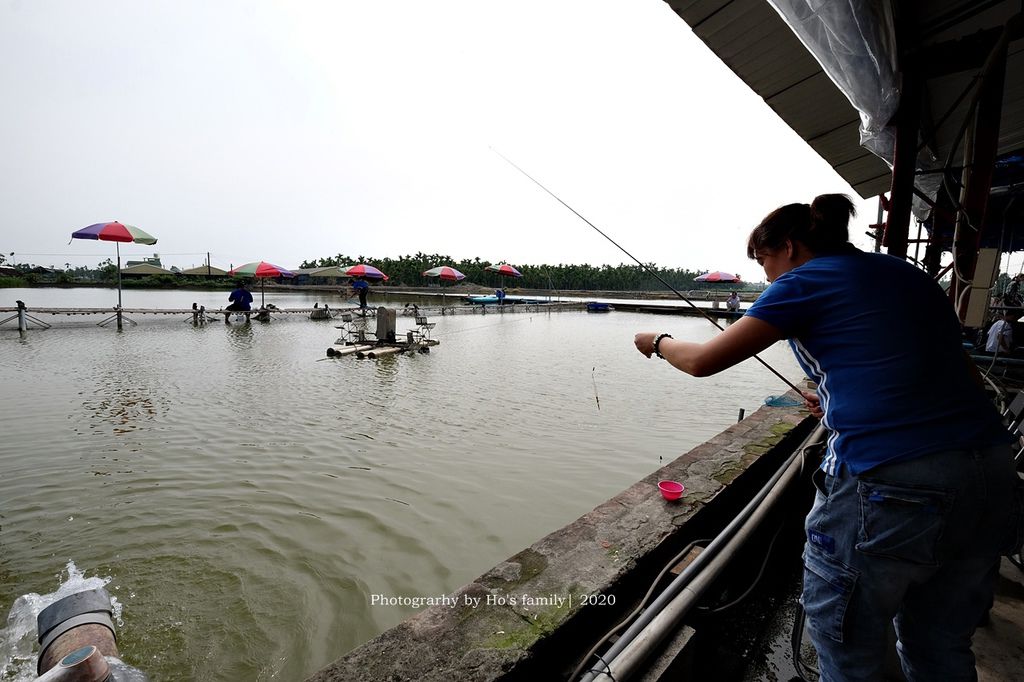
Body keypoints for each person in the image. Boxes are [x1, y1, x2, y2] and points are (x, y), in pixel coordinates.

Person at [634, 194, 1021, 681]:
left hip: (889, 481)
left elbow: (702, 361)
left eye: (764, 261)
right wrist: (839, 398)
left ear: (790, 247)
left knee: (848, 650)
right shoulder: (907, 275)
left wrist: (658, 342)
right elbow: (951, 371)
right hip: (989, 472)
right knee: (940, 645)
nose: (769, 276)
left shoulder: (803, 281)